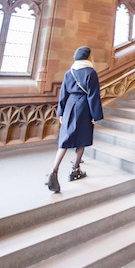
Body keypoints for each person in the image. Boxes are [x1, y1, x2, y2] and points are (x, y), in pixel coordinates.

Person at [45, 46, 103, 193]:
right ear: (88, 57)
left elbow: (63, 94)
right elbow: (93, 95)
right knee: (82, 139)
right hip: (83, 107)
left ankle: (54, 169)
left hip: (70, 106)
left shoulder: (69, 72)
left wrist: (61, 113)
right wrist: (96, 115)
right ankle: (75, 170)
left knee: (65, 140)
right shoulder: (90, 72)